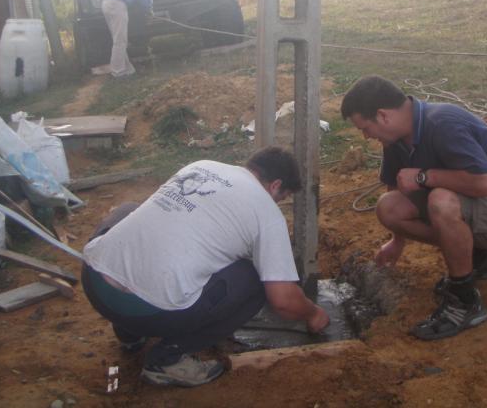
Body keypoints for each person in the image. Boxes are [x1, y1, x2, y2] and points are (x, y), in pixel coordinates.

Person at [81, 146, 329, 387]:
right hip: (149, 313)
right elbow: (282, 300)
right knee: (255, 281)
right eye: (282, 197)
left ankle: (129, 334)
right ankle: (167, 359)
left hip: (95, 284)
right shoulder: (267, 214)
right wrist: (313, 313)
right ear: (275, 185)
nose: (278, 202)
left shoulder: (201, 166)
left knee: (128, 210)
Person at [340, 75, 487, 341]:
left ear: (383, 115)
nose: (366, 136)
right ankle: (479, 257)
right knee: (389, 207)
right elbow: (396, 189)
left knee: (441, 201)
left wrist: (424, 177)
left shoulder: (443, 123)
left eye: (365, 128)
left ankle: (464, 301)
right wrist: (397, 241)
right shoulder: (395, 139)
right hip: (477, 210)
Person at [91, 0, 152, 77]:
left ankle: (128, 70)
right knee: (120, 40)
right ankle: (117, 72)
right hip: (117, 4)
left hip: (106, 3)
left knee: (118, 38)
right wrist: (148, 6)